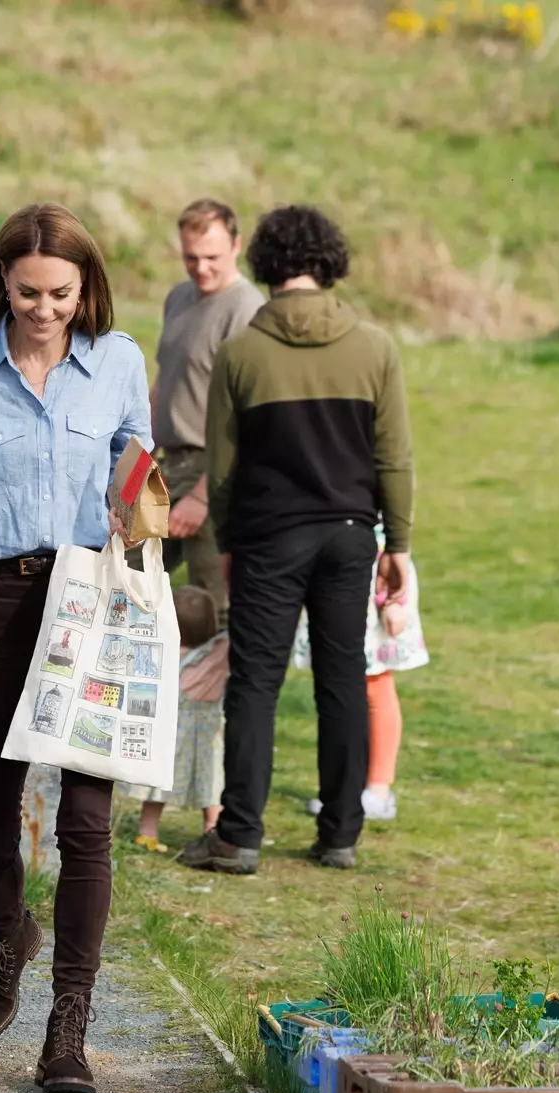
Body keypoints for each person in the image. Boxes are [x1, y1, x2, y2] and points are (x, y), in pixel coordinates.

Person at [0, 203, 150, 1093]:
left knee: (86, 824)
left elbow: (138, 468)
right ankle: (9, 932)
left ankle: (68, 1023)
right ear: (2, 285)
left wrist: (141, 504)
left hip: (92, 600)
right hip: (0, 601)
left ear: (85, 288)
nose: (46, 309)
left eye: (62, 293)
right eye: (28, 293)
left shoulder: (119, 360)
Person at [181, 204, 414, 876]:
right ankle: (340, 833)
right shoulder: (376, 348)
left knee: (256, 683)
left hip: (268, 538)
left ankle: (238, 836)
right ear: (329, 261)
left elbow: (224, 469)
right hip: (349, 536)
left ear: (265, 262)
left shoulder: (241, 353)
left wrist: (228, 542)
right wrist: (397, 545)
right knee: (342, 678)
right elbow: (394, 458)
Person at [149, 199, 265, 624]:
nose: (201, 268)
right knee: (130, 583)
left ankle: (213, 670)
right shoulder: (179, 297)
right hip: (166, 466)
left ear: (236, 245)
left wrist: (202, 496)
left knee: (209, 605)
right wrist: (137, 458)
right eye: (191, 257)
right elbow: (166, 380)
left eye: (212, 257)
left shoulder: (246, 309)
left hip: (214, 470)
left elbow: (247, 416)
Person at [295, 522, 429, 821]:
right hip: (333, 567)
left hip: (371, 575)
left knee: (374, 683)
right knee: (339, 686)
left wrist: (393, 598)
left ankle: (378, 790)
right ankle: (345, 787)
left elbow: (395, 518)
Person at [124, 586, 230, 851]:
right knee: (212, 784)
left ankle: (148, 831)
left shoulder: (161, 652)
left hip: (169, 737)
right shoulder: (214, 656)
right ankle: (212, 829)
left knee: (158, 787)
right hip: (208, 737)